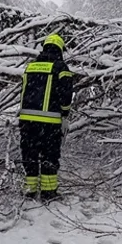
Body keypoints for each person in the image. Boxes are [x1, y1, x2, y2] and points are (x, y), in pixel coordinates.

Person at [17, 33, 74, 201]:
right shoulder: (61, 68)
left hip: (27, 120)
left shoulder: (31, 66)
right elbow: (66, 96)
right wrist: (65, 114)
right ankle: (49, 193)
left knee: (29, 154)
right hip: (50, 122)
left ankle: (29, 190)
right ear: (60, 49)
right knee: (49, 156)